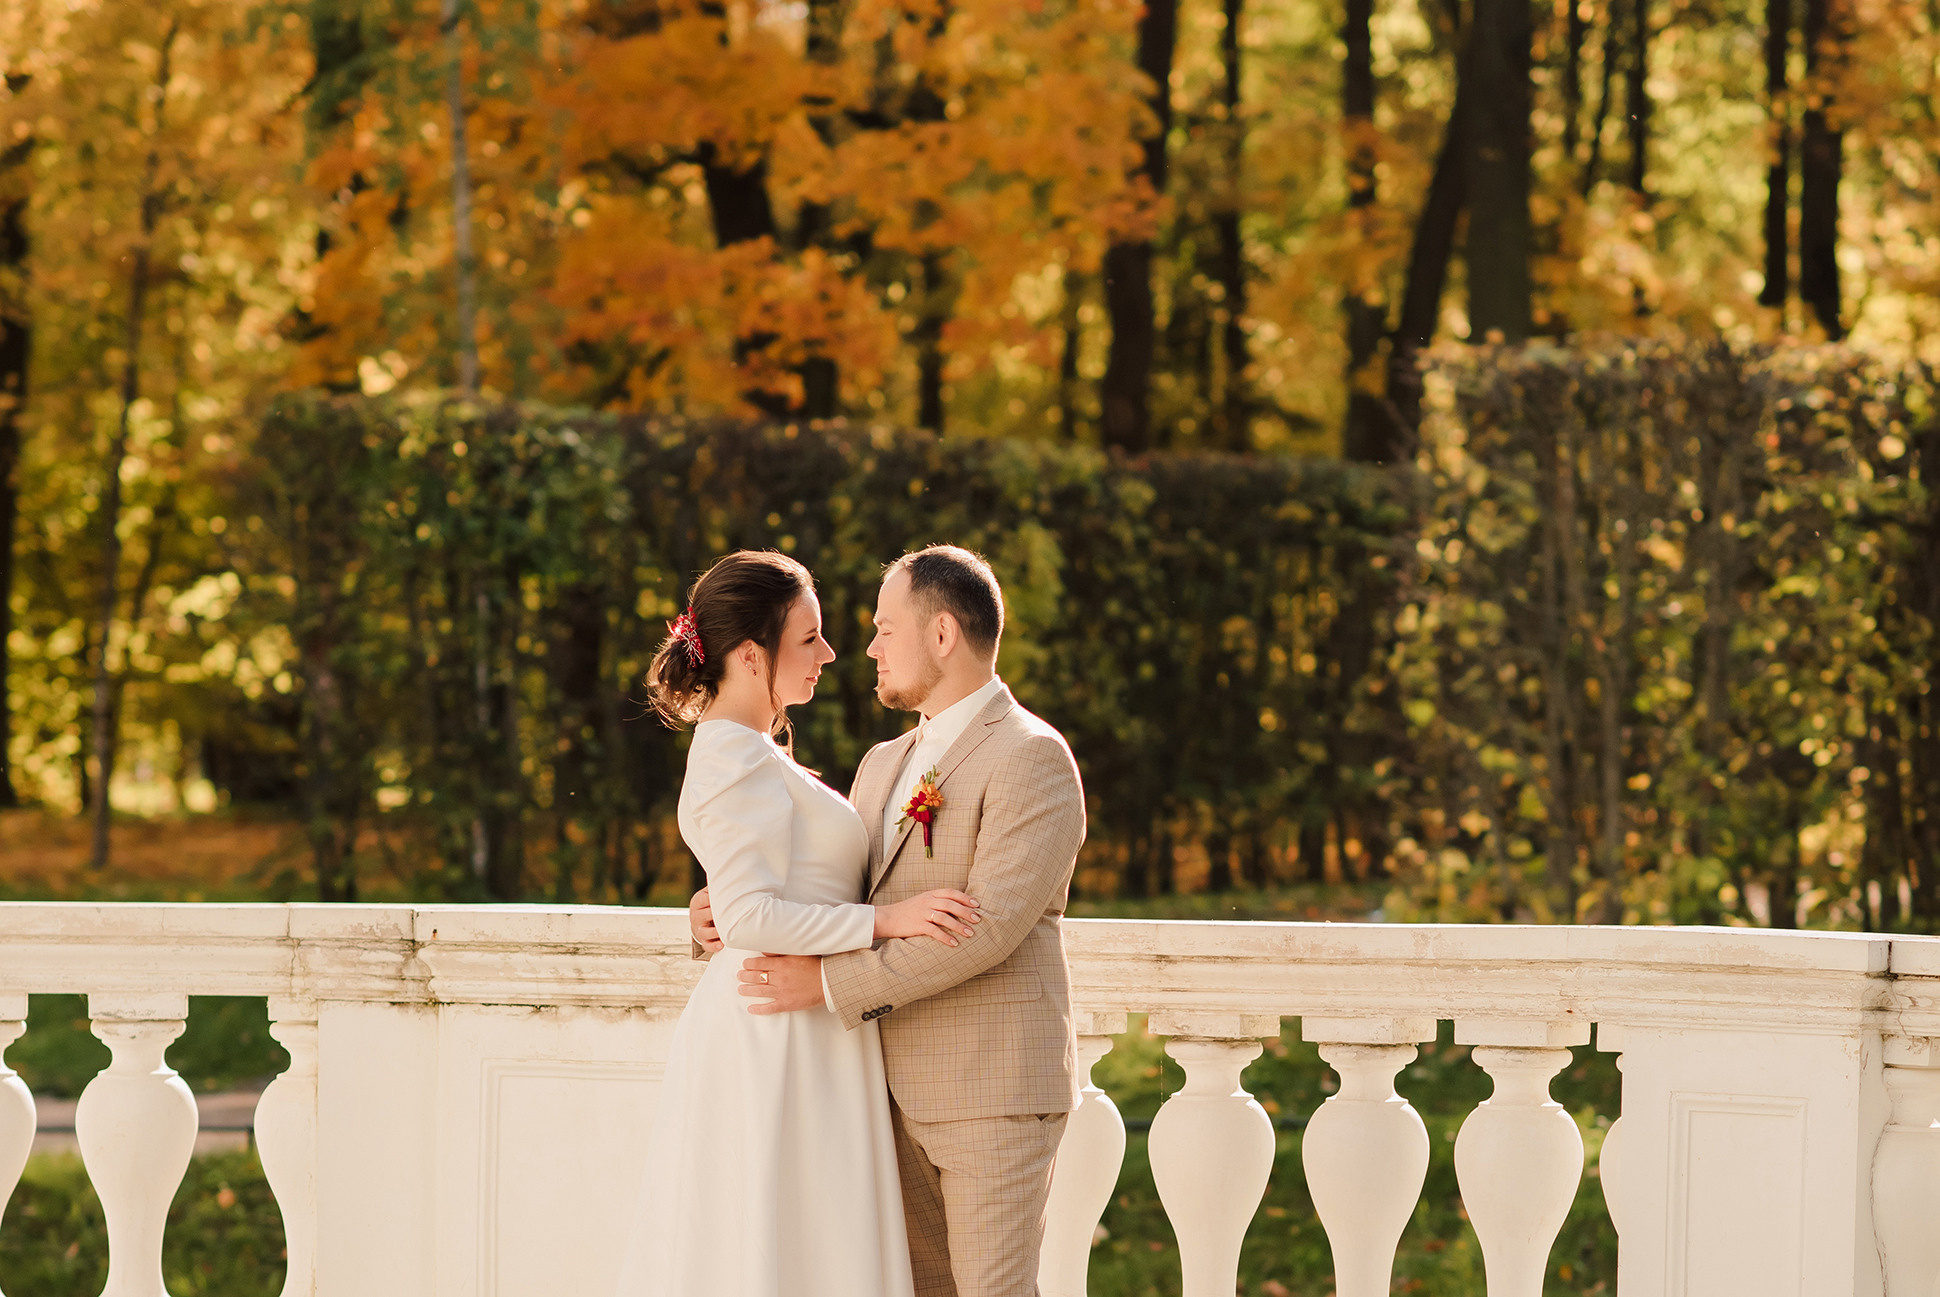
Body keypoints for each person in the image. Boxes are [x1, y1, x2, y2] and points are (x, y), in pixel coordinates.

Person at [691, 544, 1088, 1297]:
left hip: (989, 1093)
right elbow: (835, 889)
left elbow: (987, 926)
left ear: (941, 635)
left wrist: (827, 986)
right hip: (878, 1098)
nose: (865, 647)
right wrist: (716, 912)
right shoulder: (881, 763)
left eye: (883, 627)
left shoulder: (1031, 757)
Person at [617, 549, 984, 1297]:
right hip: (773, 1037)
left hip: (809, 1025)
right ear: (752, 655)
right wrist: (881, 921)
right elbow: (752, 915)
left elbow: (748, 892)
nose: (830, 653)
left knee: (810, 1241)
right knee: (780, 1243)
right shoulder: (729, 751)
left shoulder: (756, 750)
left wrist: (710, 907)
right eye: (809, 638)